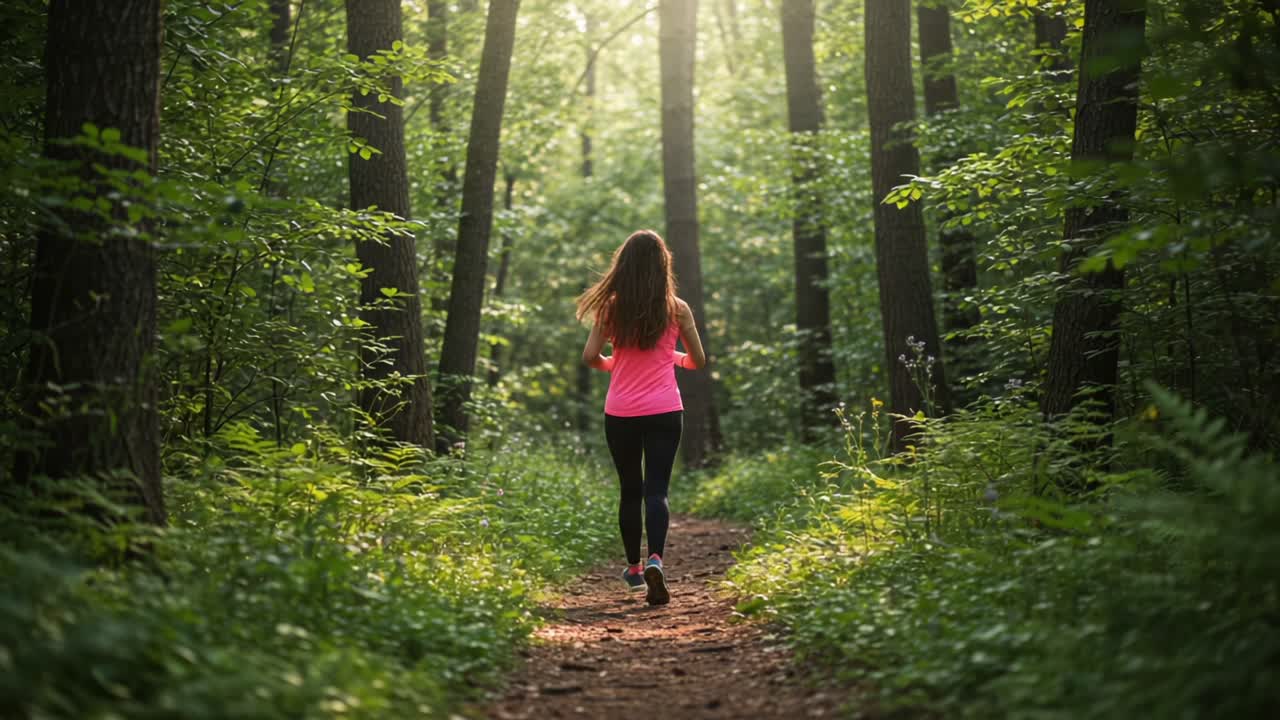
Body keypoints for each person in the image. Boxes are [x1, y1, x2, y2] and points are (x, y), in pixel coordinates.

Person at [577, 229, 706, 606]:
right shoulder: (677, 308)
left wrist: (612, 366)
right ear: (662, 266)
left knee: (630, 491)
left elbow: (589, 357)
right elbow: (697, 361)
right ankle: (656, 561)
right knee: (657, 490)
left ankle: (634, 569)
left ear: (624, 265)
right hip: (666, 409)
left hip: (621, 412)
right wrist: (675, 358)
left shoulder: (610, 308)